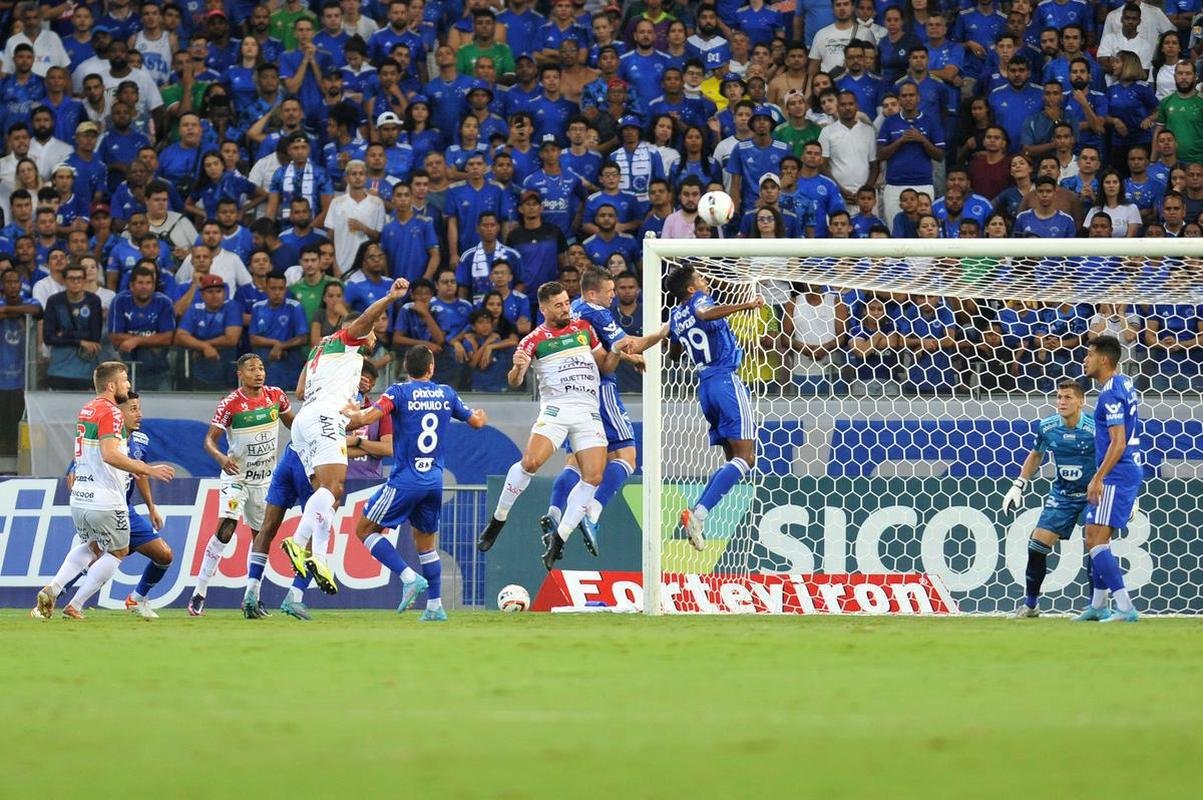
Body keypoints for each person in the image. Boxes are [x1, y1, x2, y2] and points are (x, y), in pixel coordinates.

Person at [475, 280, 622, 568]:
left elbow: (605, 366)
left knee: (593, 477)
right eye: (559, 305)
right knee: (530, 463)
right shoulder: (533, 340)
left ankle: (560, 539)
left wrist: (616, 350)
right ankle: (498, 520)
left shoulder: (584, 329)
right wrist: (518, 367)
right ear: (543, 308)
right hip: (557, 409)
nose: (566, 308)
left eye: (567, 302)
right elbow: (515, 382)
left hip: (588, 411)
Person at [278, 278, 411, 595]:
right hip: (323, 417)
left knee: (329, 496)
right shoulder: (348, 339)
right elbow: (364, 319)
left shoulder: (321, 350)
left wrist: (347, 415)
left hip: (308, 419)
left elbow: (299, 391)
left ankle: (320, 560)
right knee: (333, 488)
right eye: (373, 333)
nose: (375, 338)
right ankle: (297, 543)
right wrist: (390, 298)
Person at [343, 346, 486, 620]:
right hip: (434, 480)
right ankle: (435, 606)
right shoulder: (446, 393)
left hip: (406, 479)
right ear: (431, 367)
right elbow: (476, 422)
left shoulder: (398, 392)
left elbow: (367, 417)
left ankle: (409, 577)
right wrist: (481, 416)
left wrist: (351, 414)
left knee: (364, 530)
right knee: (426, 544)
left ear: (406, 368)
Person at [34, 362, 175, 620]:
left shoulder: (88, 409)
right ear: (111, 386)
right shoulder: (112, 413)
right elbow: (110, 454)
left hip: (81, 500)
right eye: (125, 381)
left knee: (92, 546)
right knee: (117, 551)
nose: (128, 385)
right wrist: (149, 469)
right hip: (106, 499)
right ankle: (75, 604)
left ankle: (53, 588)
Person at [544, 268, 658, 551]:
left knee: (575, 461)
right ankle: (591, 513)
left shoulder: (571, 311)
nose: (613, 296)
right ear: (592, 293)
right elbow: (627, 343)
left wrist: (630, 358)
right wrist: (666, 331)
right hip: (600, 389)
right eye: (609, 291)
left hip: (571, 391)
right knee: (627, 456)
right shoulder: (596, 310)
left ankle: (554, 513)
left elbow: (606, 348)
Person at [665, 264, 764, 550]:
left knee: (734, 459)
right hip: (724, 380)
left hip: (704, 386)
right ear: (690, 288)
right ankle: (699, 514)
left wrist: (682, 333)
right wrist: (748, 304)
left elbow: (673, 354)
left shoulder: (675, 314)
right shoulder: (699, 301)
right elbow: (705, 313)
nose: (706, 281)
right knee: (746, 459)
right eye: (701, 278)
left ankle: (698, 512)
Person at [189, 354, 295, 616]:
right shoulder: (231, 404)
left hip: (265, 481)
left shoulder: (276, 396)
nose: (258, 373)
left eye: (261, 368)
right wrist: (221, 457)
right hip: (237, 478)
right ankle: (199, 592)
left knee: (261, 538)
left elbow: (293, 424)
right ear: (240, 374)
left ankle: (252, 597)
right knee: (227, 526)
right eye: (251, 369)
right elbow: (209, 441)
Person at [1002, 380, 1097, 617]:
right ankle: (1031, 605)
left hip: (1093, 494)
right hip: (1062, 495)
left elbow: (1116, 458)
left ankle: (1096, 606)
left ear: (1081, 402)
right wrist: (1019, 484)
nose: (1062, 402)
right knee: (1037, 545)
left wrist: (1128, 496)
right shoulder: (1047, 426)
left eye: (1068, 397)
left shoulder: (1096, 429)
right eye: (1059, 397)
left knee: (1097, 548)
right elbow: (1036, 455)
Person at [1076, 335, 1143, 622]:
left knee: (1096, 540)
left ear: (1104, 359)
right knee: (1094, 536)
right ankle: (1098, 605)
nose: (1085, 360)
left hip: (1115, 474)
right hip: (1122, 471)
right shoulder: (1124, 383)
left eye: (1089, 355)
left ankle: (1125, 607)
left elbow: (1119, 442)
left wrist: (1098, 478)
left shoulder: (1110, 394)